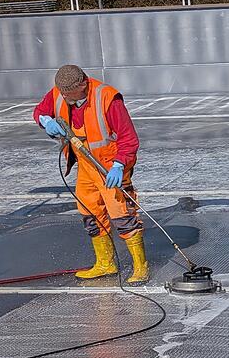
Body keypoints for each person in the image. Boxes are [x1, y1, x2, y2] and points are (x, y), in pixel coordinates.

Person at [33, 65, 148, 283]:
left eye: (69, 93)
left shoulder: (107, 98)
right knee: (90, 211)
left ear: (83, 84)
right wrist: (45, 121)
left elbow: (129, 139)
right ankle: (106, 263)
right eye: (62, 93)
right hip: (85, 165)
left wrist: (119, 165)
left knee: (121, 214)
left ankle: (140, 266)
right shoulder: (59, 92)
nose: (64, 97)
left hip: (108, 166)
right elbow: (40, 111)